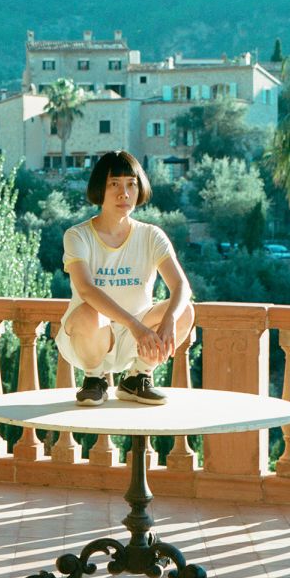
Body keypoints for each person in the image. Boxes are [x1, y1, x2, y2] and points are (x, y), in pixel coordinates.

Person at [56, 150, 194, 406]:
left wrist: (169, 321)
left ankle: (138, 378)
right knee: (90, 311)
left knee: (184, 310)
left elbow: (181, 285)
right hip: (90, 336)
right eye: (114, 184)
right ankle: (94, 379)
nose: (124, 193)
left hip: (136, 336)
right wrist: (135, 326)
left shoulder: (151, 235)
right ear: (100, 189)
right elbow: (85, 289)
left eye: (131, 184)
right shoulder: (77, 236)